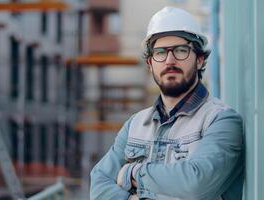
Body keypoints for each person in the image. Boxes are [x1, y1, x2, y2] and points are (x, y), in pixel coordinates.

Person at [90, 6, 244, 200]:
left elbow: (195, 184)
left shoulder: (221, 120)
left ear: (199, 59)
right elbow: (98, 184)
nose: (170, 60)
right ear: (150, 63)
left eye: (181, 51)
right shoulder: (135, 125)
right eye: (160, 52)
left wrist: (132, 173)